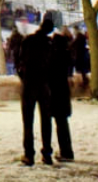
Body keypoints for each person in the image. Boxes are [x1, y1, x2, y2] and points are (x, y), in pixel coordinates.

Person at [18, 17, 56, 165]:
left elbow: (20, 60)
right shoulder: (49, 44)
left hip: (29, 83)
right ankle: (47, 152)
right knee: (46, 120)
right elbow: (52, 65)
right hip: (43, 84)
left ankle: (29, 153)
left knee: (28, 120)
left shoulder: (28, 41)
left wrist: (24, 77)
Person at [49, 24, 76, 161]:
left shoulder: (54, 57)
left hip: (55, 92)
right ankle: (66, 150)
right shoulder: (66, 55)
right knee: (62, 123)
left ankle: (65, 152)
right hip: (63, 92)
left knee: (59, 123)